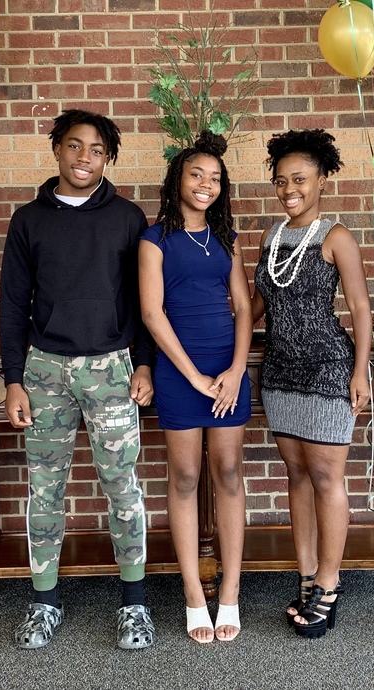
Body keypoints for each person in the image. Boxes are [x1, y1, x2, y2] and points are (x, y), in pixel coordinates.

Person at [0, 109, 157, 651]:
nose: (83, 157)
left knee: (123, 486)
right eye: (74, 145)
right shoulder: (28, 220)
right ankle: (44, 602)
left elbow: (145, 302)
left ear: (108, 157)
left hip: (112, 367)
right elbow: (13, 303)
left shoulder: (129, 218)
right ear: (57, 150)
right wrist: (13, 379)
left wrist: (144, 363)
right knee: (45, 488)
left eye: (95, 149)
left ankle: (135, 605)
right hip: (45, 369)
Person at [251, 129, 372, 639]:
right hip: (279, 371)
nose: (288, 190)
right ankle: (305, 577)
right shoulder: (270, 238)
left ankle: (329, 582)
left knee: (326, 478)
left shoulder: (335, 236)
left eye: (299, 179)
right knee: (296, 477)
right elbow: (257, 307)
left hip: (326, 369)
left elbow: (361, 307)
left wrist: (360, 370)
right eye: (281, 181)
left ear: (322, 179)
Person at [139, 131, 252, 644]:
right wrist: (194, 377)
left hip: (226, 370)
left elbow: (246, 308)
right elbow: (151, 313)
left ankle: (229, 591)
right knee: (184, 477)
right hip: (181, 373)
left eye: (215, 178)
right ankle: (192, 593)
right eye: (196, 175)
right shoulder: (154, 237)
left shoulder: (227, 239)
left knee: (228, 472)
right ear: (177, 180)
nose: (206, 185)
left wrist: (234, 369)